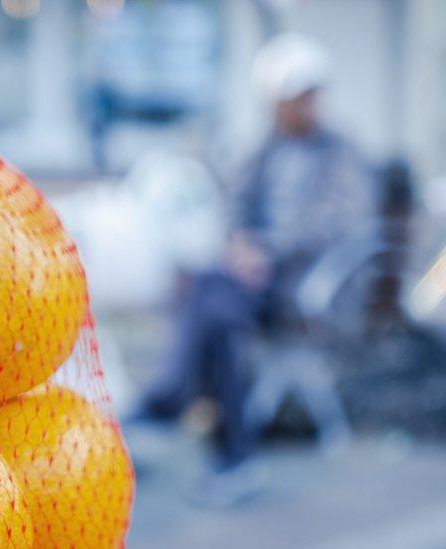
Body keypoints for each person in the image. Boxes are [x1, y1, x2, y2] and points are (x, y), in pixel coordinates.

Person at [136, 33, 376, 507]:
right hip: (255, 282)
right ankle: (234, 459)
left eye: (302, 97)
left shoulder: (340, 153)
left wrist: (267, 249)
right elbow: (236, 203)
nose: (295, 108)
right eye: (286, 100)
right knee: (217, 306)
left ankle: (172, 402)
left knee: (211, 296)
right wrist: (241, 243)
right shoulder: (266, 147)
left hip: (306, 287)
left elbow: (337, 223)